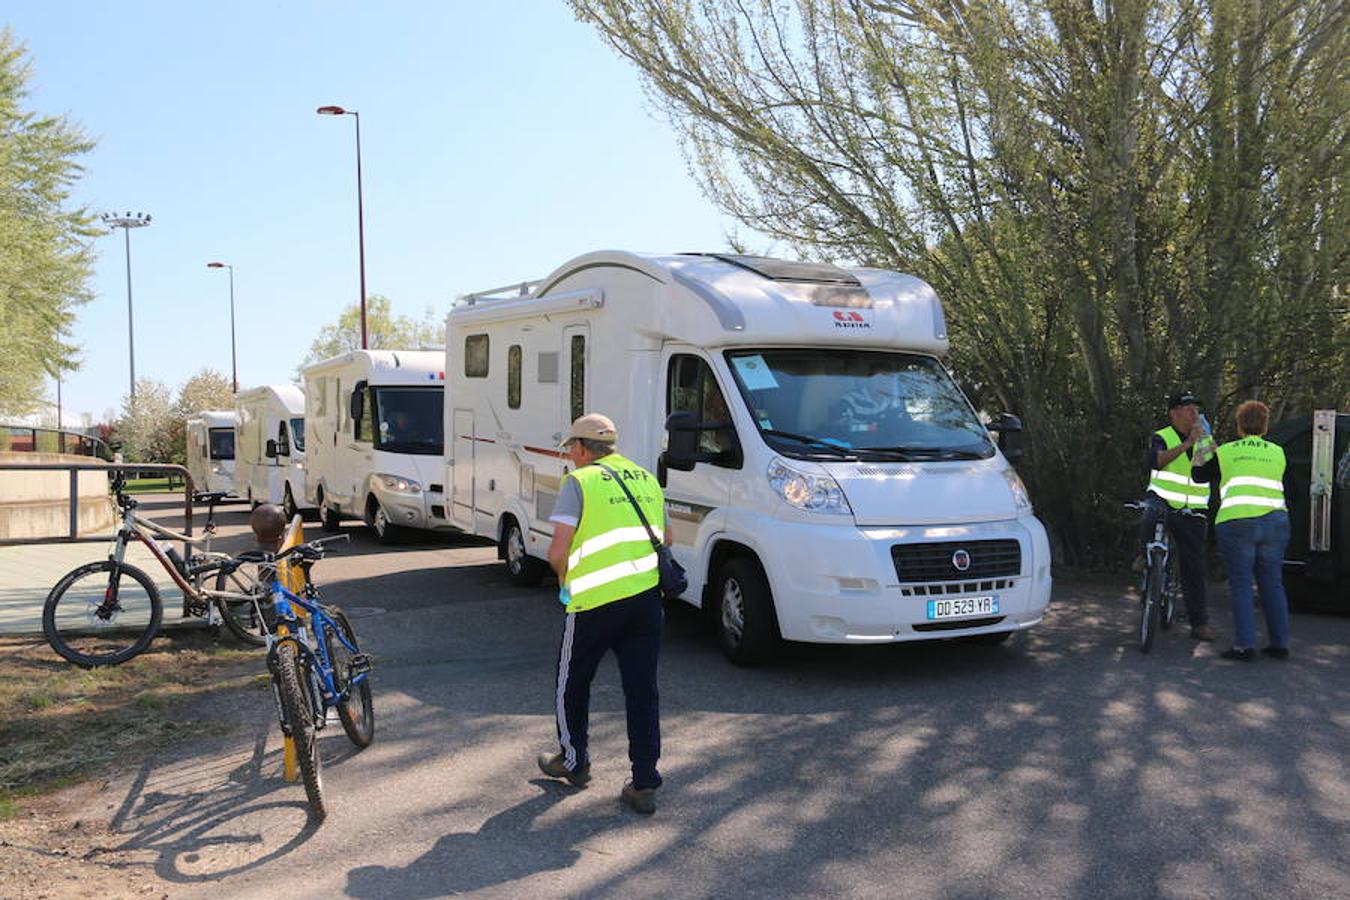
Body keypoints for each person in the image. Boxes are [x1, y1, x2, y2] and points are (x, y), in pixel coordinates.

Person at [537, 413, 672, 814]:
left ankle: (575, 763)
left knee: (572, 683)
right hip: (646, 600)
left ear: (580, 448)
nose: (571, 456)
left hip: (594, 603)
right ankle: (644, 782)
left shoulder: (579, 482)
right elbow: (667, 538)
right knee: (642, 690)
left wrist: (564, 582)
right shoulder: (645, 478)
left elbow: (557, 551)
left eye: (571, 449)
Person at [1192, 400, 1291, 661]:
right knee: (1273, 583)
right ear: (1265, 425)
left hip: (1237, 524)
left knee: (1241, 585)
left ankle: (1244, 646)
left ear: (1239, 425)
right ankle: (1280, 644)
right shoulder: (1278, 452)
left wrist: (1203, 440)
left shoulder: (1226, 451)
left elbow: (1199, 474)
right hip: (1275, 523)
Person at [1141, 391, 1216, 641]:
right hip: (1163, 501)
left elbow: (1209, 472)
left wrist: (1204, 443)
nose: (1194, 412)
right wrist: (1186, 444)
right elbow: (1157, 461)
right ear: (1175, 413)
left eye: (1196, 408)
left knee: (1193, 565)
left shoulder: (1204, 438)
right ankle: (1144, 556)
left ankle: (1199, 623)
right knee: (1147, 516)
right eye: (1188, 408)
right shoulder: (1163, 436)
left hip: (1192, 510)